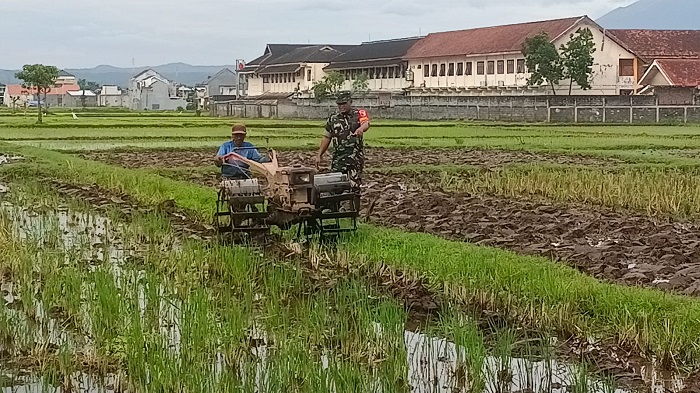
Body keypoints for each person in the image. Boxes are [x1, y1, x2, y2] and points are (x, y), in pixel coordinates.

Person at [315, 91, 370, 195]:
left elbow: (366, 123)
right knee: (335, 187)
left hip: (355, 159)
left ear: (351, 102)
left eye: (344, 103)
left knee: (354, 187)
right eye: (339, 104)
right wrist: (319, 154)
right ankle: (336, 210)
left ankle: (354, 210)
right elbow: (327, 137)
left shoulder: (359, 113)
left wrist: (360, 129)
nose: (342, 106)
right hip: (338, 159)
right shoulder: (333, 118)